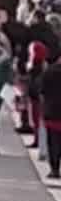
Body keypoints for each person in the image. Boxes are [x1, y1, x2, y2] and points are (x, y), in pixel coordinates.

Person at [39, 46, 61, 179]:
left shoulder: (49, 72)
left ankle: (54, 169)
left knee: (53, 142)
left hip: (52, 112)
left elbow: (42, 92)